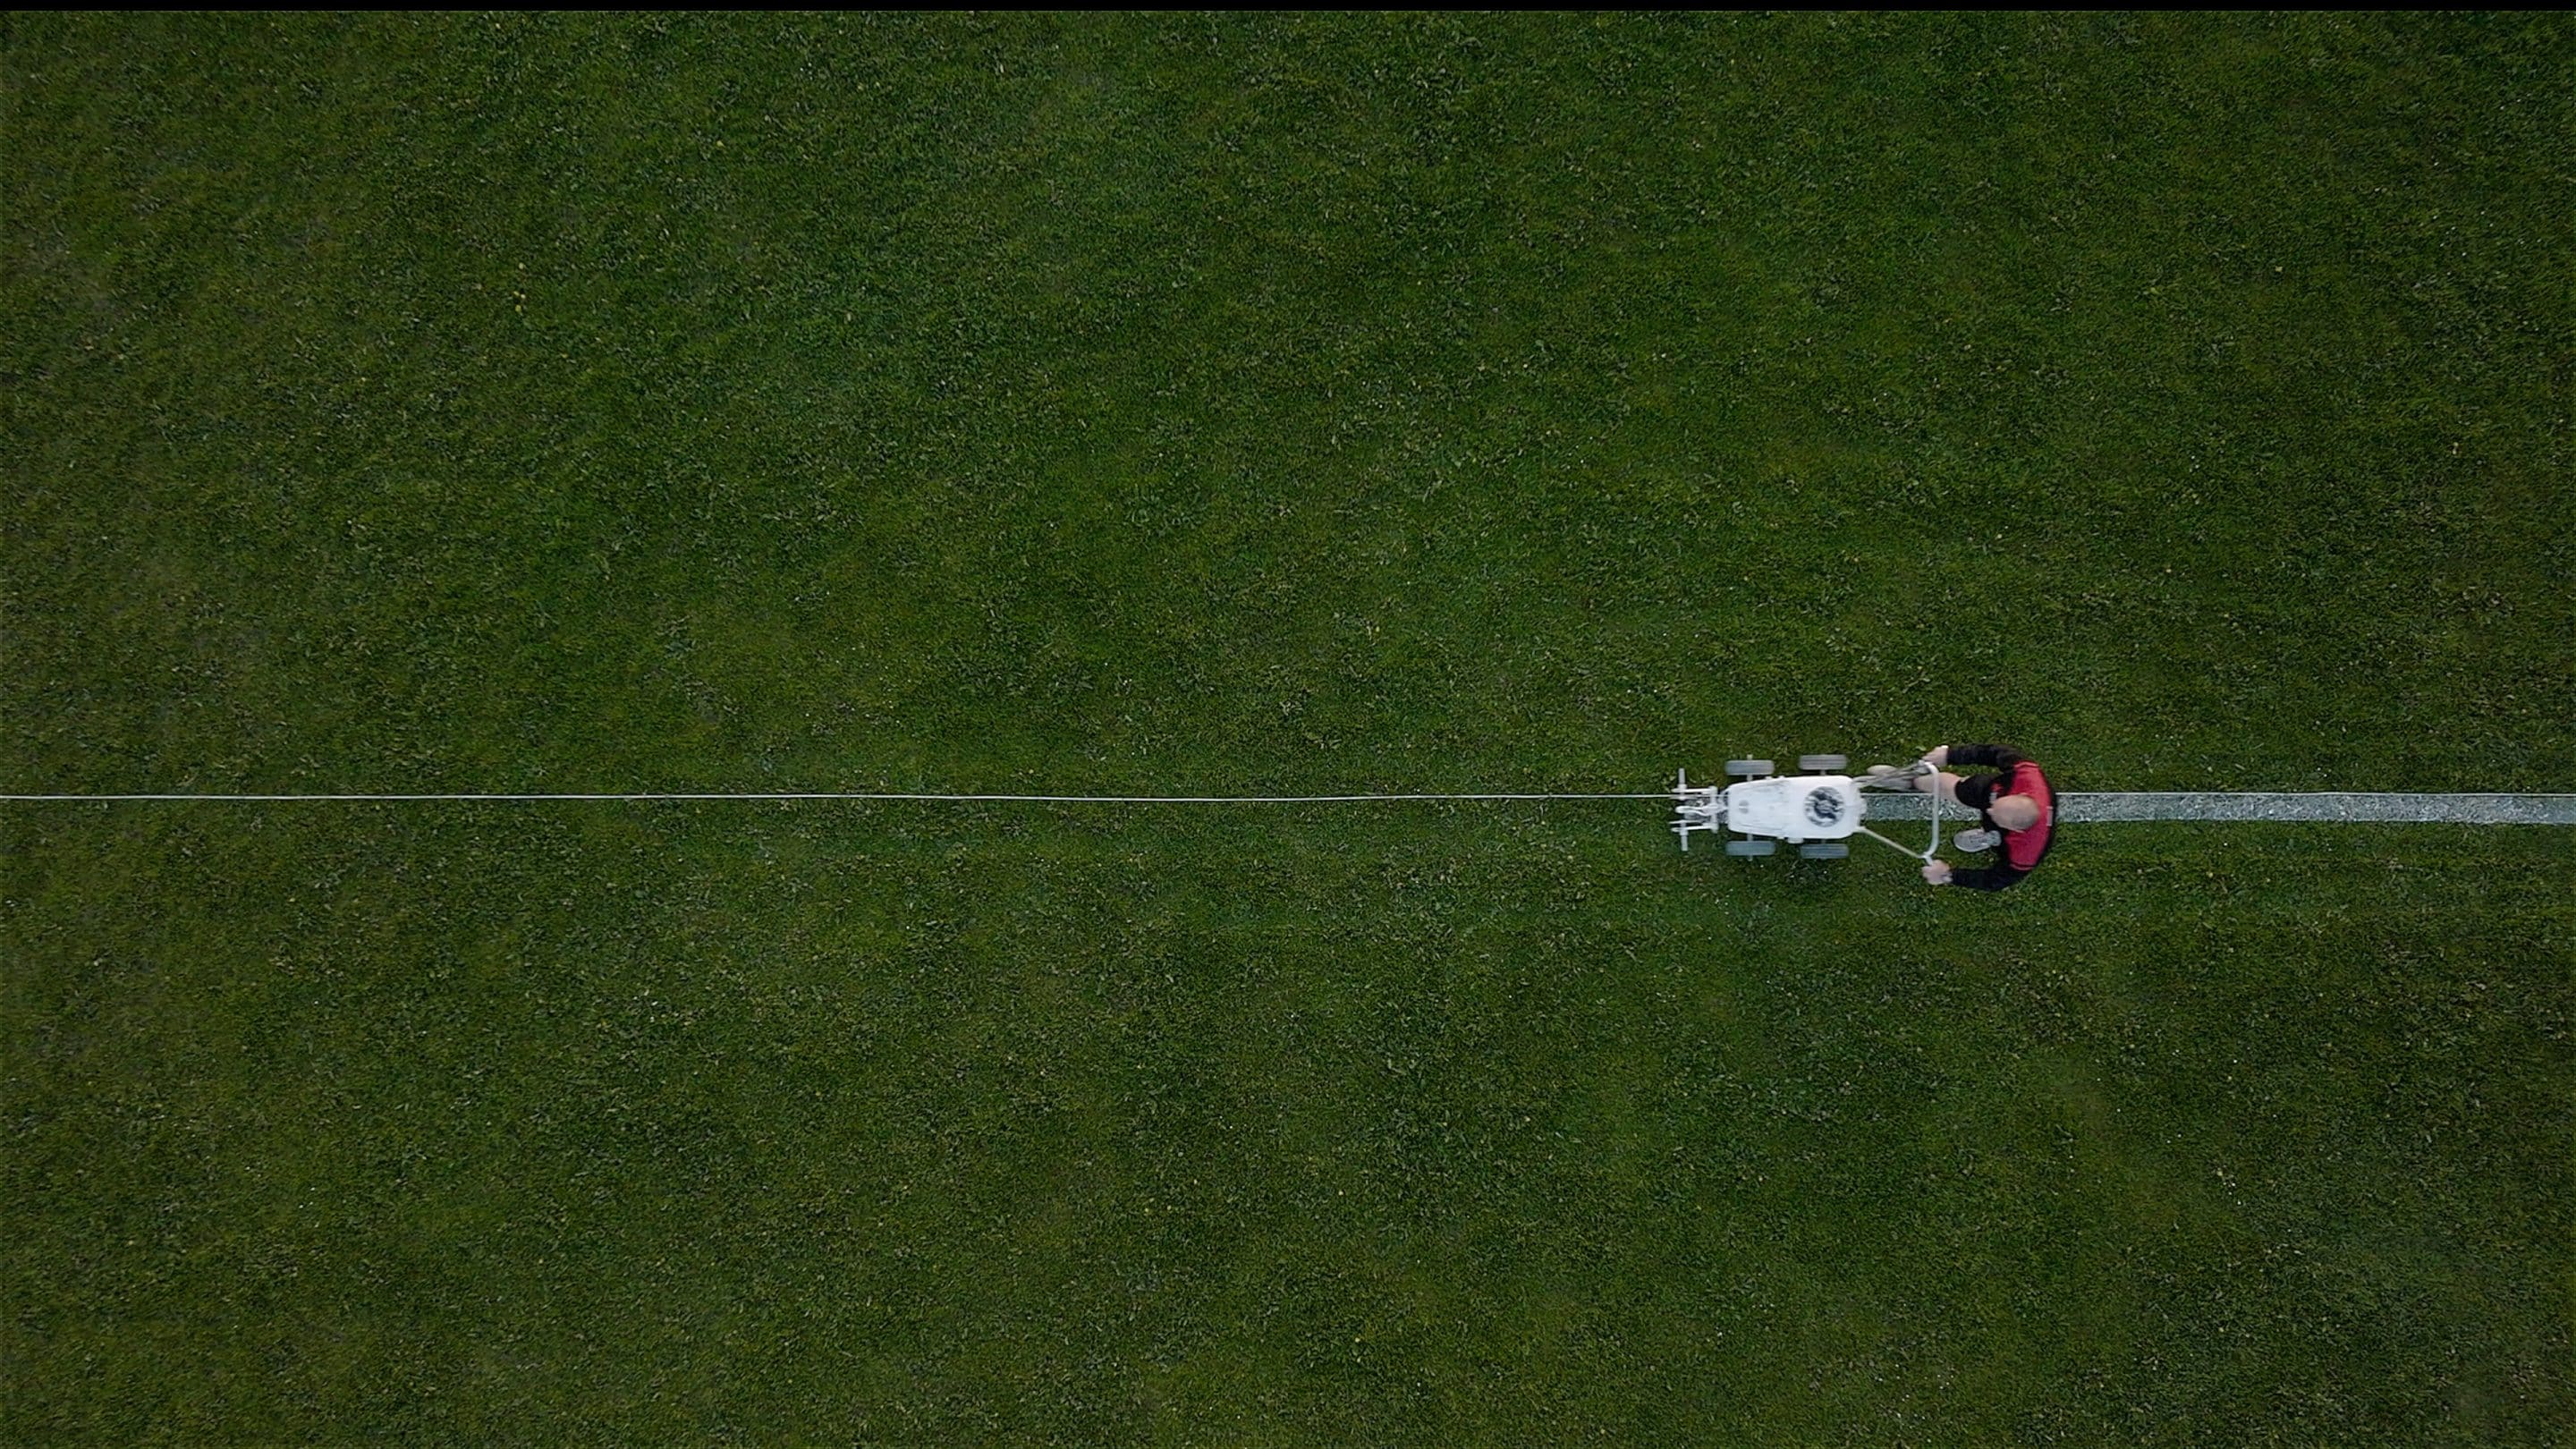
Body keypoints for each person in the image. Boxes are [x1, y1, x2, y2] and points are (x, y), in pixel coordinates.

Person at [1900, 743, 2055, 890]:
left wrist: (1948, 876)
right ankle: (1910, 781)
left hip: (2003, 822)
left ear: (2014, 829)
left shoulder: (2025, 852)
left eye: (1997, 817)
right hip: (1994, 791)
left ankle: (1992, 837)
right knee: (1952, 787)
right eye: (1996, 807)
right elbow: (1993, 752)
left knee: (1996, 832)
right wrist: (1950, 754)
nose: (1989, 811)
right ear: (2021, 794)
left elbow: (1995, 881)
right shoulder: (2027, 774)